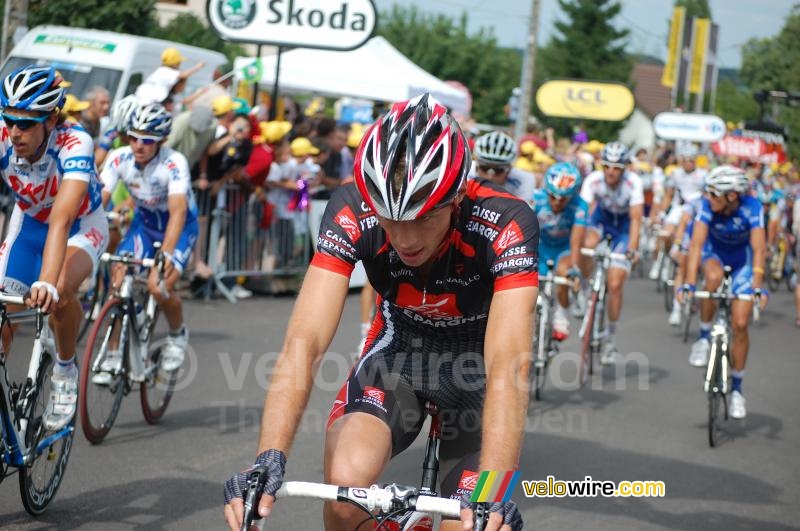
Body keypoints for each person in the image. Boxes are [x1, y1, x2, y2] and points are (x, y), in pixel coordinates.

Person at [223, 94, 535, 531]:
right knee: (347, 488)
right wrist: (268, 458)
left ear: (457, 196)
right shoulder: (352, 209)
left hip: (477, 372)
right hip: (398, 356)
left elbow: (508, 365)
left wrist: (493, 492)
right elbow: (304, 340)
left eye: (423, 218)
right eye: (390, 219)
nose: (405, 238)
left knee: (472, 524)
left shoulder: (505, 221)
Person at [0, 65, 109, 430]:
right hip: (28, 226)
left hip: (81, 225)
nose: (15, 132)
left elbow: (62, 219)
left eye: (26, 123)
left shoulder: (76, 142)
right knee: (3, 311)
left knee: (59, 291)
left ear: (52, 120)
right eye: (9, 119)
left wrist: (45, 282)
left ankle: (64, 368)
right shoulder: (4, 137)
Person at [98, 103, 197, 378]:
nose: (139, 145)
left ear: (161, 142)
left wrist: (164, 255)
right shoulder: (120, 158)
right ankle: (114, 353)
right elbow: (99, 200)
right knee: (118, 283)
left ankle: (178, 334)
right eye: (133, 137)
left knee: (157, 285)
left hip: (178, 228)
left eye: (147, 140)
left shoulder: (173, 162)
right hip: (144, 225)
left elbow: (178, 212)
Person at [678, 165, 767, 419]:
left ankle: (737, 390)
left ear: (732, 196)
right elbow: (695, 246)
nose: (709, 198)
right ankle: (704, 336)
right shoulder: (706, 207)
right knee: (713, 278)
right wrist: (689, 283)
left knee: (740, 324)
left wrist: (758, 286)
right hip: (714, 254)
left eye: (714, 194)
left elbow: (759, 249)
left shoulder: (753, 208)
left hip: (743, 263)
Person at [578, 141, 643, 364]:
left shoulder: (634, 183)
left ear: (624, 169)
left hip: (623, 229)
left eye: (616, 168)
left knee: (615, 284)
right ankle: (585, 288)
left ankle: (611, 338)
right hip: (602, 221)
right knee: (585, 245)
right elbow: (582, 214)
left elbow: (636, 220)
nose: (610, 172)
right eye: (606, 166)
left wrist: (633, 249)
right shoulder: (593, 180)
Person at [532, 162, 588, 339]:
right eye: (553, 196)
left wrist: (574, 269)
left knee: (564, 276)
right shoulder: (536, 199)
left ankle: (562, 314)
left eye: (563, 198)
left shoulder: (580, 206)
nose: (557, 202)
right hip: (540, 246)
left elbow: (576, 241)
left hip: (563, 249)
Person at [470, 131, 537, 206]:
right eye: (485, 168)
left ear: (509, 169)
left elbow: (523, 213)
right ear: (476, 164)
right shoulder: (465, 172)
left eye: (498, 170)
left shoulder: (524, 179)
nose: (490, 176)